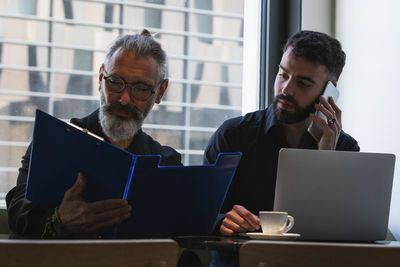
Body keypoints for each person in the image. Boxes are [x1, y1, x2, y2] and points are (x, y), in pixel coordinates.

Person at [6, 29, 181, 238]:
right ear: (100, 78)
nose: (124, 99)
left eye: (141, 88)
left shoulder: (166, 163)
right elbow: (19, 212)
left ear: (160, 92)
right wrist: (58, 219)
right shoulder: (56, 141)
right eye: (115, 82)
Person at [204, 30, 360, 236]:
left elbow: (340, 229)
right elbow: (200, 212)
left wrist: (327, 157)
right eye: (283, 75)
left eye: (302, 83)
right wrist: (222, 221)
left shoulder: (345, 149)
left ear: (329, 91)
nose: (286, 90)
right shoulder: (234, 135)